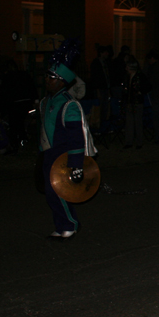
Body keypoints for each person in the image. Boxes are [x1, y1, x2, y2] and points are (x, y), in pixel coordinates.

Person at [38, 39, 97, 240]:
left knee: (58, 191)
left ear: (62, 81)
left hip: (62, 155)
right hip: (50, 153)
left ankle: (69, 224)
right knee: (50, 192)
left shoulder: (68, 105)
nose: (47, 80)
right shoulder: (47, 101)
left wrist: (75, 164)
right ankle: (62, 223)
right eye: (47, 76)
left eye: (52, 77)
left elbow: (76, 137)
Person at [122, 56, 151, 149]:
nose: (125, 68)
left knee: (138, 122)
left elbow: (148, 86)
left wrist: (140, 92)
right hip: (129, 102)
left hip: (137, 102)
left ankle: (139, 142)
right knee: (129, 123)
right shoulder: (127, 77)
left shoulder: (140, 76)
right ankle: (129, 142)